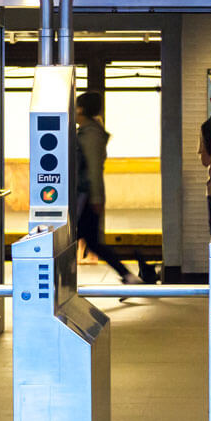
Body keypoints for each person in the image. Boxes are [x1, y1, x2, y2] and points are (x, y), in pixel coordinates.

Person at [75, 91, 144, 285]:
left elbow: (94, 168)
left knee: (80, 239)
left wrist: (96, 197)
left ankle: (127, 275)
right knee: (90, 240)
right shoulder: (88, 132)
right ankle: (127, 275)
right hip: (84, 196)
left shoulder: (90, 135)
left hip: (85, 197)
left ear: (81, 109)